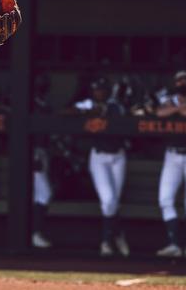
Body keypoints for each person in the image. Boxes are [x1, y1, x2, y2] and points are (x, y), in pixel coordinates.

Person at [70, 77, 130, 257]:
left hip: (118, 156)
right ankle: (108, 240)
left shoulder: (115, 106)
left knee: (113, 203)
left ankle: (115, 234)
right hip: (99, 157)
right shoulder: (88, 104)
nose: (99, 93)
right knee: (109, 200)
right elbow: (66, 111)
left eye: (102, 89)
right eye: (96, 90)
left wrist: (102, 111)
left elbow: (124, 118)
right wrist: (85, 112)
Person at [155, 70, 186, 259]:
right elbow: (160, 113)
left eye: (185, 80)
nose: (182, 83)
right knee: (165, 199)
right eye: (179, 80)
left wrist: (177, 111)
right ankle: (174, 243)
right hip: (172, 154)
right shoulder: (169, 99)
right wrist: (178, 110)